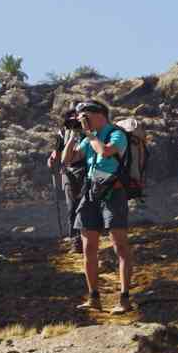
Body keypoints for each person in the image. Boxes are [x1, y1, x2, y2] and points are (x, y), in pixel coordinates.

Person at [62, 100, 133, 314]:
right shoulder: (86, 137)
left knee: (119, 246)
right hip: (92, 191)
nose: (83, 119)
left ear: (98, 114)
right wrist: (74, 135)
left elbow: (105, 152)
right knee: (88, 248)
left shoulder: (116, 134)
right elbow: (68, 160)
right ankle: (94, 297)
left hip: (113, 192)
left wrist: (90, 135)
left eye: (85, 115)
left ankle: (124, 298)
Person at [47, 109, 86, 254]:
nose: (73, 120)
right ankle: (76, 241)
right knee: (72, 207)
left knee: (84, 205)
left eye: (76, 117)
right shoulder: (63, 132)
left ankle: (86, 238)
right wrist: (51, 159)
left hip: (86, 170)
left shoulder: (88, 129)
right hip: (68, 172)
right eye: (70, 117)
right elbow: (57, 150)